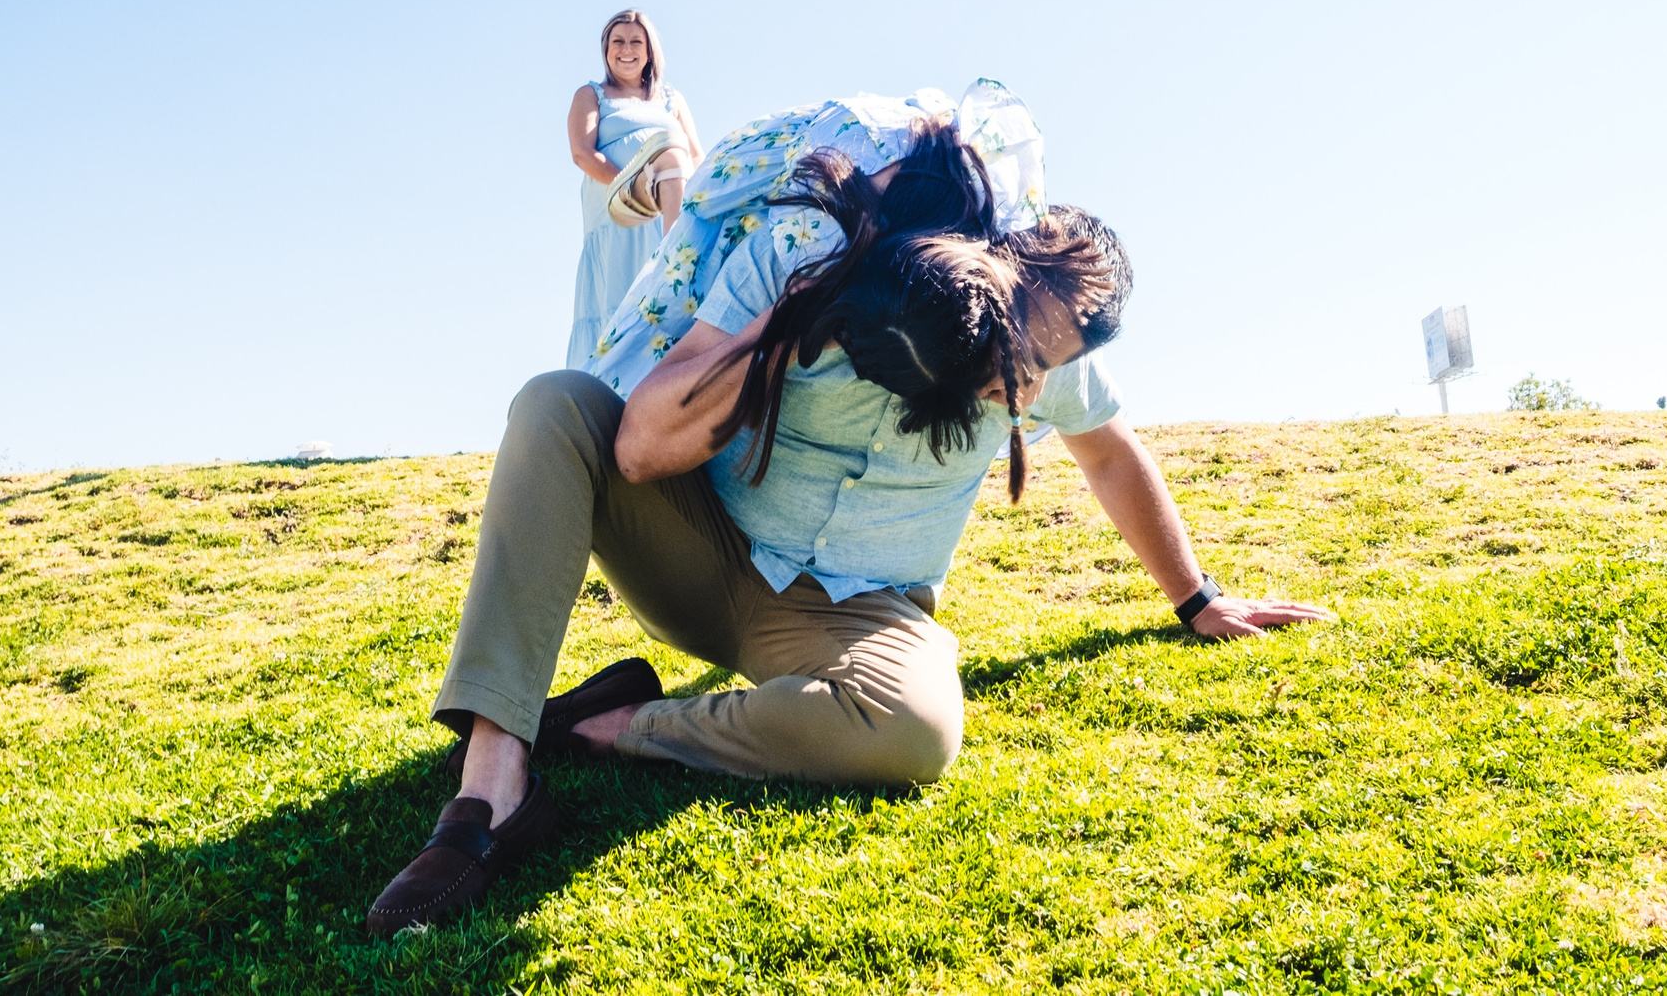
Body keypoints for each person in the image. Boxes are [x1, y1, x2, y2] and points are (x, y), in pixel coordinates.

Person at [366, 86, 1333, 936]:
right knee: (553, 403)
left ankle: (621, 723)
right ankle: (491, 786)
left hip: (859, 615)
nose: (1021, 385)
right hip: (703, 551)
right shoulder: (810, 264)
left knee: (916, 730)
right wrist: (795, 328)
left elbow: (1111, 454)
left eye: (1042, 369)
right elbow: (640, 443)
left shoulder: (1051, 358)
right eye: (1016, 353)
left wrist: (1195, 596)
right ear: (996, 270)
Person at [566, 10, 700, 369]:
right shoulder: (592, 95)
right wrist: (631, 188)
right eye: (618, 42)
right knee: (616, 301)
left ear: (650, 51)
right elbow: (582, 152)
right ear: (606, 50)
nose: (626, 49)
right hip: (618, 215)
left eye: (635, 42)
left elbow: (697, 157)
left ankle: (677, 255)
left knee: (664, 300)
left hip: (666, 216)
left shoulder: (671, 100)